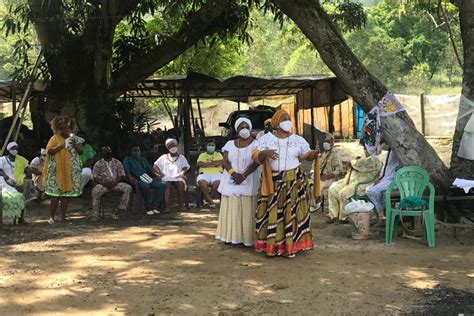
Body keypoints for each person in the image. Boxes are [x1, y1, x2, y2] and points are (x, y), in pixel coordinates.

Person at [252, 109, 318, 257]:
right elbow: (255, 156)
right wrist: (265, 153)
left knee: (293, 213)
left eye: (288, 119)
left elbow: (306, 156)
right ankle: (273, 246)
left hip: (294, 182)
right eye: (283, 119)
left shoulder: (298, 140)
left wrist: (314, 154)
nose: (287, 122)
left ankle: (291, 247)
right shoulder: (266, 139)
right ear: (276, 122)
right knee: (273, 213)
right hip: (273, 183)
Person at [215, 117, 261, 246]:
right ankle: (230, 237)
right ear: (237, 130)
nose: (244, 130)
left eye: (247, 127)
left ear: (250, 129)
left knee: (247, 210)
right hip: (231, 179)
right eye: (241, 127)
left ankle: (246, 239)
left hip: (249, 178)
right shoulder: (230, 144)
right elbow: (225, 161)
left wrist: (244, 175)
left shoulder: (257, 144)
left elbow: (256, 162)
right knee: (232, 208)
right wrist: (234, 173)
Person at [327, 145, 382, 224]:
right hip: (351, 181)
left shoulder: (375, 160)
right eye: (364, 148)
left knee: (343, 193)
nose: (365, 150)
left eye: (366, 149)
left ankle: (344, 217)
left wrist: (353, 162)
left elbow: (359, 164)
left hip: (362, 184)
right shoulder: (365, 159)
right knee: (333, 190)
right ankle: (333, 216)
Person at [43, 116, 83, 223]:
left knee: (65, 194)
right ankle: (52, 216)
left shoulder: (75, 139)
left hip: (70, 170)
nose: (67, 130)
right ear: (59, 129)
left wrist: (73, 144)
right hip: (56, 171)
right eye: (64, 128)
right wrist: (62, 145)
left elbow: (81, 152)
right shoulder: (54, 139)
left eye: (68, 128)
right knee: (55, 194)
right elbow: (49, 151)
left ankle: (63, 216)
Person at [91, 146, 132, 220]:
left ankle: (119, 211)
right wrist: (105, 183)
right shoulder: (98, 163)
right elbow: (94, 177)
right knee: (95, 191)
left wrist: (114, 183)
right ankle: (96, 215)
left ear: (111, 152)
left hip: (116, 183)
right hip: (103, 184)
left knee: (128, 188)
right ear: (102, 153)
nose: (107, 153)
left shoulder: (117, 162)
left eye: (108, 151)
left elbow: (121, 175)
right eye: (105, 152)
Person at [123, 144, 165, 216]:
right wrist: (130, 178)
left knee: (162, 184)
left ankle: (154, 206)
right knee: (145, 185)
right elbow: (127, 172)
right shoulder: (128, 160)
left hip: (147, 178)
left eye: (138, 150)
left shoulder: (143, 160)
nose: (136, 152)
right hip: (137, 180)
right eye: (134, 151)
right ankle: (148, 207)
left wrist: (156, 174)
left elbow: (151, 170)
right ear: (131, 152)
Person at [365, 141, 401, 216]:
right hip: (386, 179)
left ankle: (383, 212)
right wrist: (380, 178)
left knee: (372, 191)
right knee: (368, 189)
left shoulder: (398, 152)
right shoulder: (390, 151)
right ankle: (382, 213)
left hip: (393, 180)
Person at [154, 139, 190, 212]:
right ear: (167, 147)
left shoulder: (181, 157)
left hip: (178, 176)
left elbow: (185, 167)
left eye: (174, 145)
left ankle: (181, 205)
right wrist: (160, 173)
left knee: (180, 184)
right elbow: (155, 166)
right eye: (170, 146)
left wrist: (182, 173)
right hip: (166, 176)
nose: (173, 147)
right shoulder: (163, 157)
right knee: (167, 184)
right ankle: (166, 207)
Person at [0, 142, 28, 224]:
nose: (15, 150)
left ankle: (21, 219)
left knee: (20, 196)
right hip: (4, 180)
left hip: (16, 180)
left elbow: (26, 168)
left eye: (16, 149)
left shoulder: (20, 160)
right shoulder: (2, 159)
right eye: (13, 149)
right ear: (9, 150)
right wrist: (6, 177)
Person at [196, 140, 223, 208]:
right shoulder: (202, 155)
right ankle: (211, 201)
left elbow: (221, 162)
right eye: (209, 145)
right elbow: (199, 164)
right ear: (206, 146)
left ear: (215, 147)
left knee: (217, 183)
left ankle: (207, 199)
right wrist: (214, 163)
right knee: (202, 182)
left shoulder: (218, 154)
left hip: (217, 174)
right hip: (204, 174)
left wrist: (206, 164)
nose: (211, 147)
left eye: (212, 145)